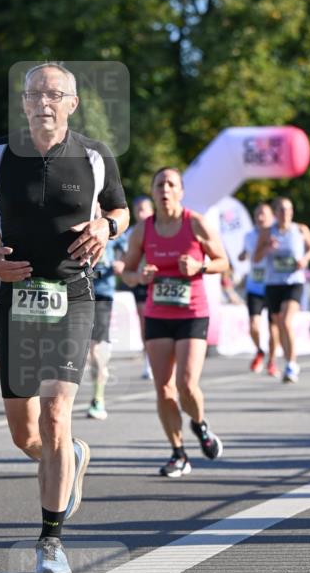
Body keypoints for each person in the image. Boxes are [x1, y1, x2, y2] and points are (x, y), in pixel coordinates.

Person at [0, 62, 129, 573]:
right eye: (33, 93)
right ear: (22, 102)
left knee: (56, 415)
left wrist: (107, 226)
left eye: (54, 93)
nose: (43, 100)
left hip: (73, 294)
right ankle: (72, 457)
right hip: (14, 298)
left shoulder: (94, 155)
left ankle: (51, 541)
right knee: (27, 436)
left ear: (72, 102)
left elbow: (121, 212)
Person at [121, 167, 229, 477]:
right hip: (158, 314)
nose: (165, 189)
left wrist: (199, 266)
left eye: (171, 184)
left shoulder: (195, 223)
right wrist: (139, 276)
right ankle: (178, 453)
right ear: (153, 192)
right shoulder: (143, 230)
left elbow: (223, 261)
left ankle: (200, 424)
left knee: (186, 384)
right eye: (159, 184)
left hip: (192, 312)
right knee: (164, 389)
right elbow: (127, 273)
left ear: (180, 191)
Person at [254, 196, 310, 384]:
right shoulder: (267, 232)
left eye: (288, 209)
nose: (285, 213)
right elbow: (256, 258)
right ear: (275, 213)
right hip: (274, 283)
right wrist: (267, 248)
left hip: (294, 281)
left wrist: (305, 260)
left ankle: (291, 364)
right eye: (281, 210)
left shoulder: (300, 229)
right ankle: (287, 359)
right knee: (279, 323)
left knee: (286, 319)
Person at [86, 232, 126, 420]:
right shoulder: (78, 218)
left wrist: (122, 263)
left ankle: (98, 398)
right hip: (75, 292)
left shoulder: (114, 225)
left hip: (102, 293)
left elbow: (129, 253)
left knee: (96, 350)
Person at [239, 202, 280, 377]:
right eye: (257, 215)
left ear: (273, 217)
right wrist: (243, 254)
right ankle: (259, 351)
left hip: (273, 285)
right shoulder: (249, 235)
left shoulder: (279, 234)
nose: (260, 218)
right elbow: (251, 254)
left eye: (264, 214)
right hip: (255, 286)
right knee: (254, 325)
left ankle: (272, 360)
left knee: (273, 328)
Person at [122, 195, 154, 379]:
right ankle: (148, 360)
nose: (141, 213)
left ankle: (162, 360)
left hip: (158, 282)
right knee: (144, 322)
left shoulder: (159, 229)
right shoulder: (132, 232)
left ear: (151, 210)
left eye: (145, 209)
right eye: (138, 210)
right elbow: (123, 258)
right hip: (140, 282)